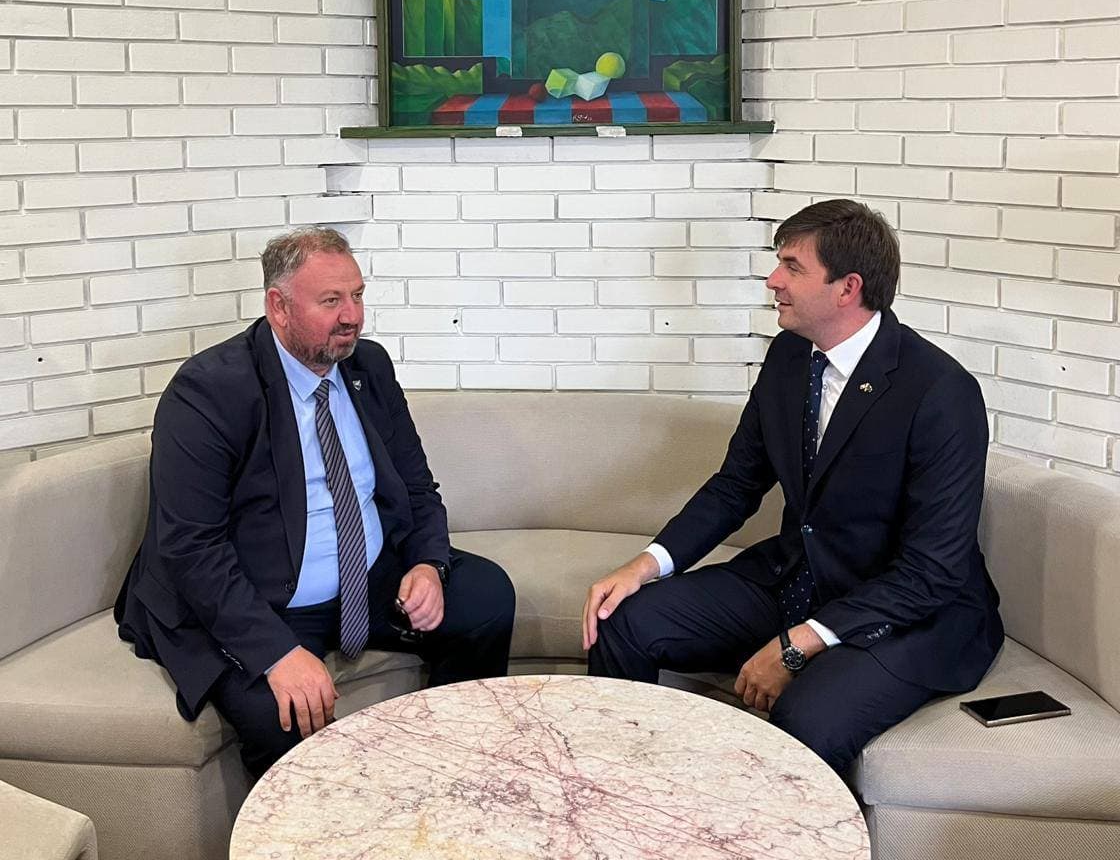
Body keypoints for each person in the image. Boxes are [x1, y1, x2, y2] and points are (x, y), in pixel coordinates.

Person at [583, 199, 1003, 772]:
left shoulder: (940, 391)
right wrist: (645, 565)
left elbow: (931, 571)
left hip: (907, 614)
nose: (772, 280)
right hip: (795, 578)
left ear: (847, 288)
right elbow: (736, 485)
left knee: (807, 719)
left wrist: (798, 643)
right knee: (624, 620)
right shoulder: (788, 357)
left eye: (792, 267)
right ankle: (618, 783)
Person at [116, 226, 515, 778]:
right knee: (283, 714)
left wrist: (428, 563)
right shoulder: (208, 391)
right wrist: (276, 653)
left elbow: (417, 486)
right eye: (331, 301)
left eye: (357, 295)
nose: (352, 316)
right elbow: (190, 547)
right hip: (263, 596)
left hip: (366, 576)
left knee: (486, 598)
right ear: (278, 307)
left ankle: (451, 772)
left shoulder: (368, 367)